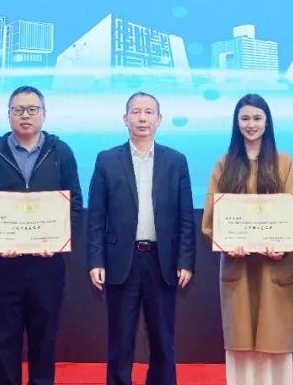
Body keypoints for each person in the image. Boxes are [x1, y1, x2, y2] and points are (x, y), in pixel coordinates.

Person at [0, 85, 80, 385]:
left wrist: (57, 241)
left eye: (32, 109)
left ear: (44, 114)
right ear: (9, 115)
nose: (25, 115)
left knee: (44, 337)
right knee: (5, 337)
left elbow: (74, 204)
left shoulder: (61, 152)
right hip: (3, 265)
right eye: (18, 110)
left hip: (47, 265)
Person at [88, 93, 195, 385]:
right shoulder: (107, 160)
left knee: (162, 339)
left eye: (149, 112)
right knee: (120, 341)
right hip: (122, 261)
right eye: (136, 112)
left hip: (162, 261)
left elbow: (186, 215)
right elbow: (96, 215)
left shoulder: (176, 161)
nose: (142, 118)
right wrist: (96, 260)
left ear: (159, 120)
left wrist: (186, 260)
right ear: (126, 119)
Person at [203, 94, 293, 385]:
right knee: (241, 339)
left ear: (267, 122)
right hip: (238, 265)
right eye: (245, 118)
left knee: (275, 338)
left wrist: (283, 244)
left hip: (276, 265)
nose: (251, 124)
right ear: (236, 123)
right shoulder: (224, 164)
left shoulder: (285, 162)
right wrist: (226, 241)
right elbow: (211, 217)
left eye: (257, 118)